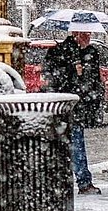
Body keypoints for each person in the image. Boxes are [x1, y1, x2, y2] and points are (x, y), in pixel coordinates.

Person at [42, 31, 102, 195]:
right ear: (75, 33)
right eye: (84, 34)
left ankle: (81, 181)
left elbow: (94, 80)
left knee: (75, 144)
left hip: (78, 107)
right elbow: (51, 77)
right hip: (62, 106)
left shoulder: (91, 53)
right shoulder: (58, 52)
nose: (87, 37)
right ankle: (66, 182)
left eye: (89, 34)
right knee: (67, 146)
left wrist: (92, 98)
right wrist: (72, 71)